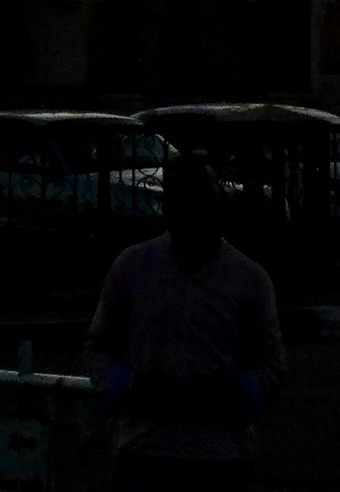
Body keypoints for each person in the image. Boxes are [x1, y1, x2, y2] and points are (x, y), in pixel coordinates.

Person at [85, 149, 287, 492]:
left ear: (217, 203)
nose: (193, 207)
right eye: (183, 196)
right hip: (150, 452)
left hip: (216, 458)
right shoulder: (132, 268)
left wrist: (229, 393)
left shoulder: (249, 279)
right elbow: (98, 349)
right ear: (167, 205)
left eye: (201, 195)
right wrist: (135, 388)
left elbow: (273, 367)